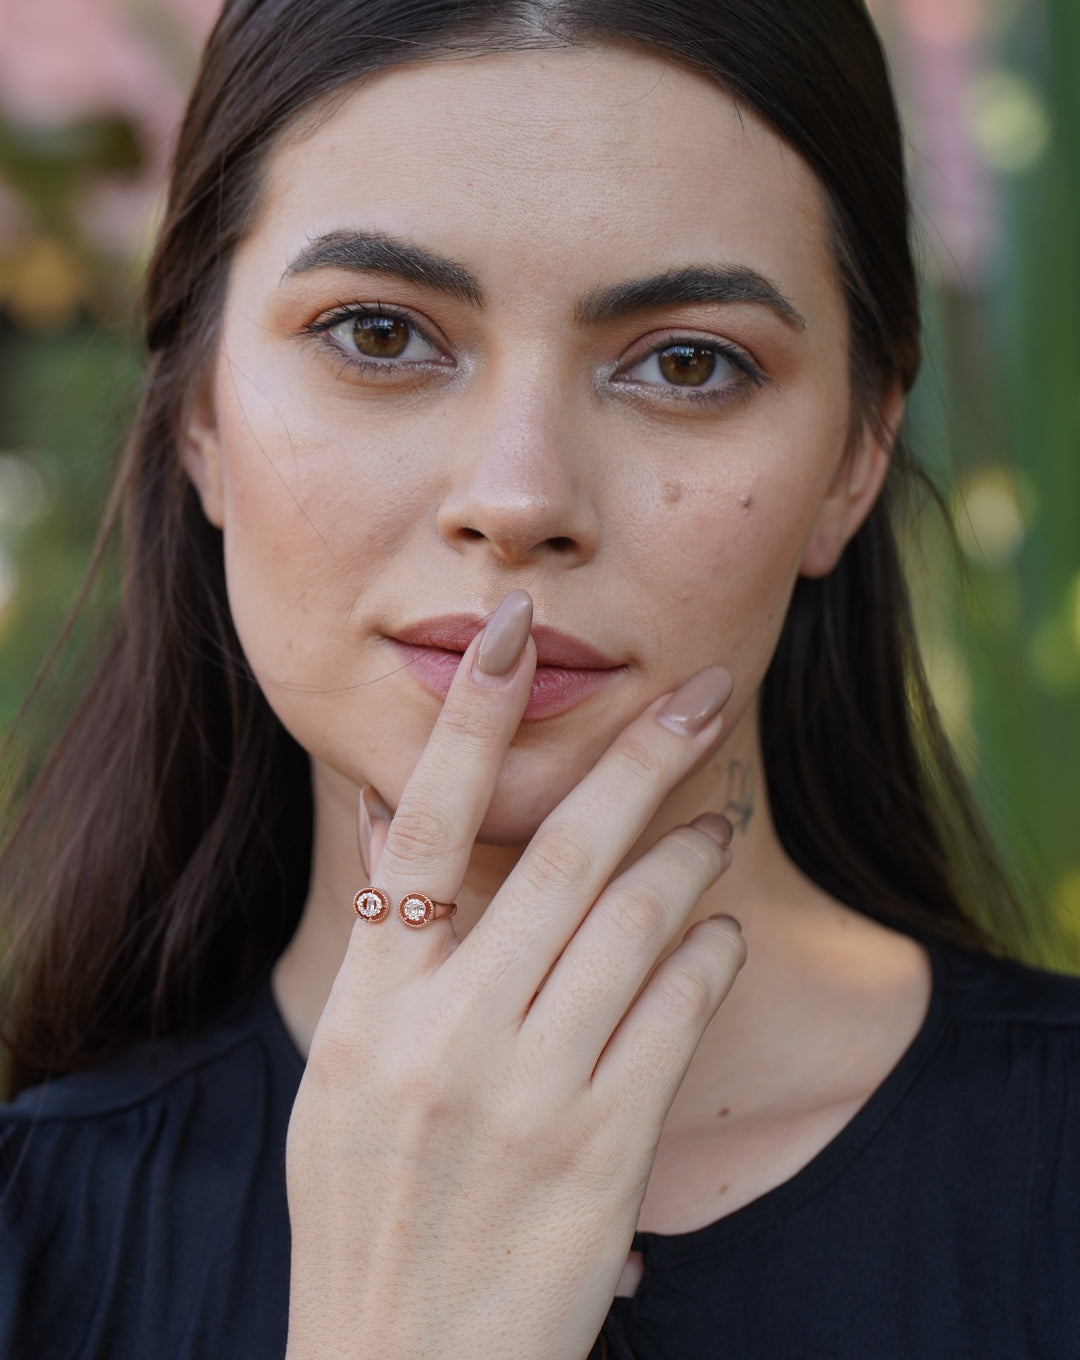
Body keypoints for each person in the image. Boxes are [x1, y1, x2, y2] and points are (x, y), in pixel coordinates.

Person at [1, 0, 1078, 1356]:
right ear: (204, 412)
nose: (519, 498)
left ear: (856, 455)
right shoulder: (28, 1248)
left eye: (688, 363)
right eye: (380, 334)